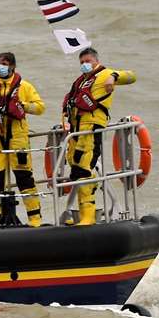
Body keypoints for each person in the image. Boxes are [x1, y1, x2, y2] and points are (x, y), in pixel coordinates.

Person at [61, 46, 137, 225]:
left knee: (85, 168)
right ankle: (81, 211)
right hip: (76, 130)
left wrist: (114, 77)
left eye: (88, 61)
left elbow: (131, 76)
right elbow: (70, 104)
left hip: (92, 127)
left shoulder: (105, 74)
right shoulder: (80, 81)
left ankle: (88, 215)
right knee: (76, 169)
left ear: (96, 61)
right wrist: (65, 122)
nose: (85, 65)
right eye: (82, 62)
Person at [0, 51, 45, 227]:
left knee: (24, 178)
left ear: (13, 66)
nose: (2, 66)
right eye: (0, 63)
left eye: (5, 63)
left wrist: (22, 106)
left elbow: (40, 107)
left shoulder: (25, 87)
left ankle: (35, 218)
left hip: (17, 137)